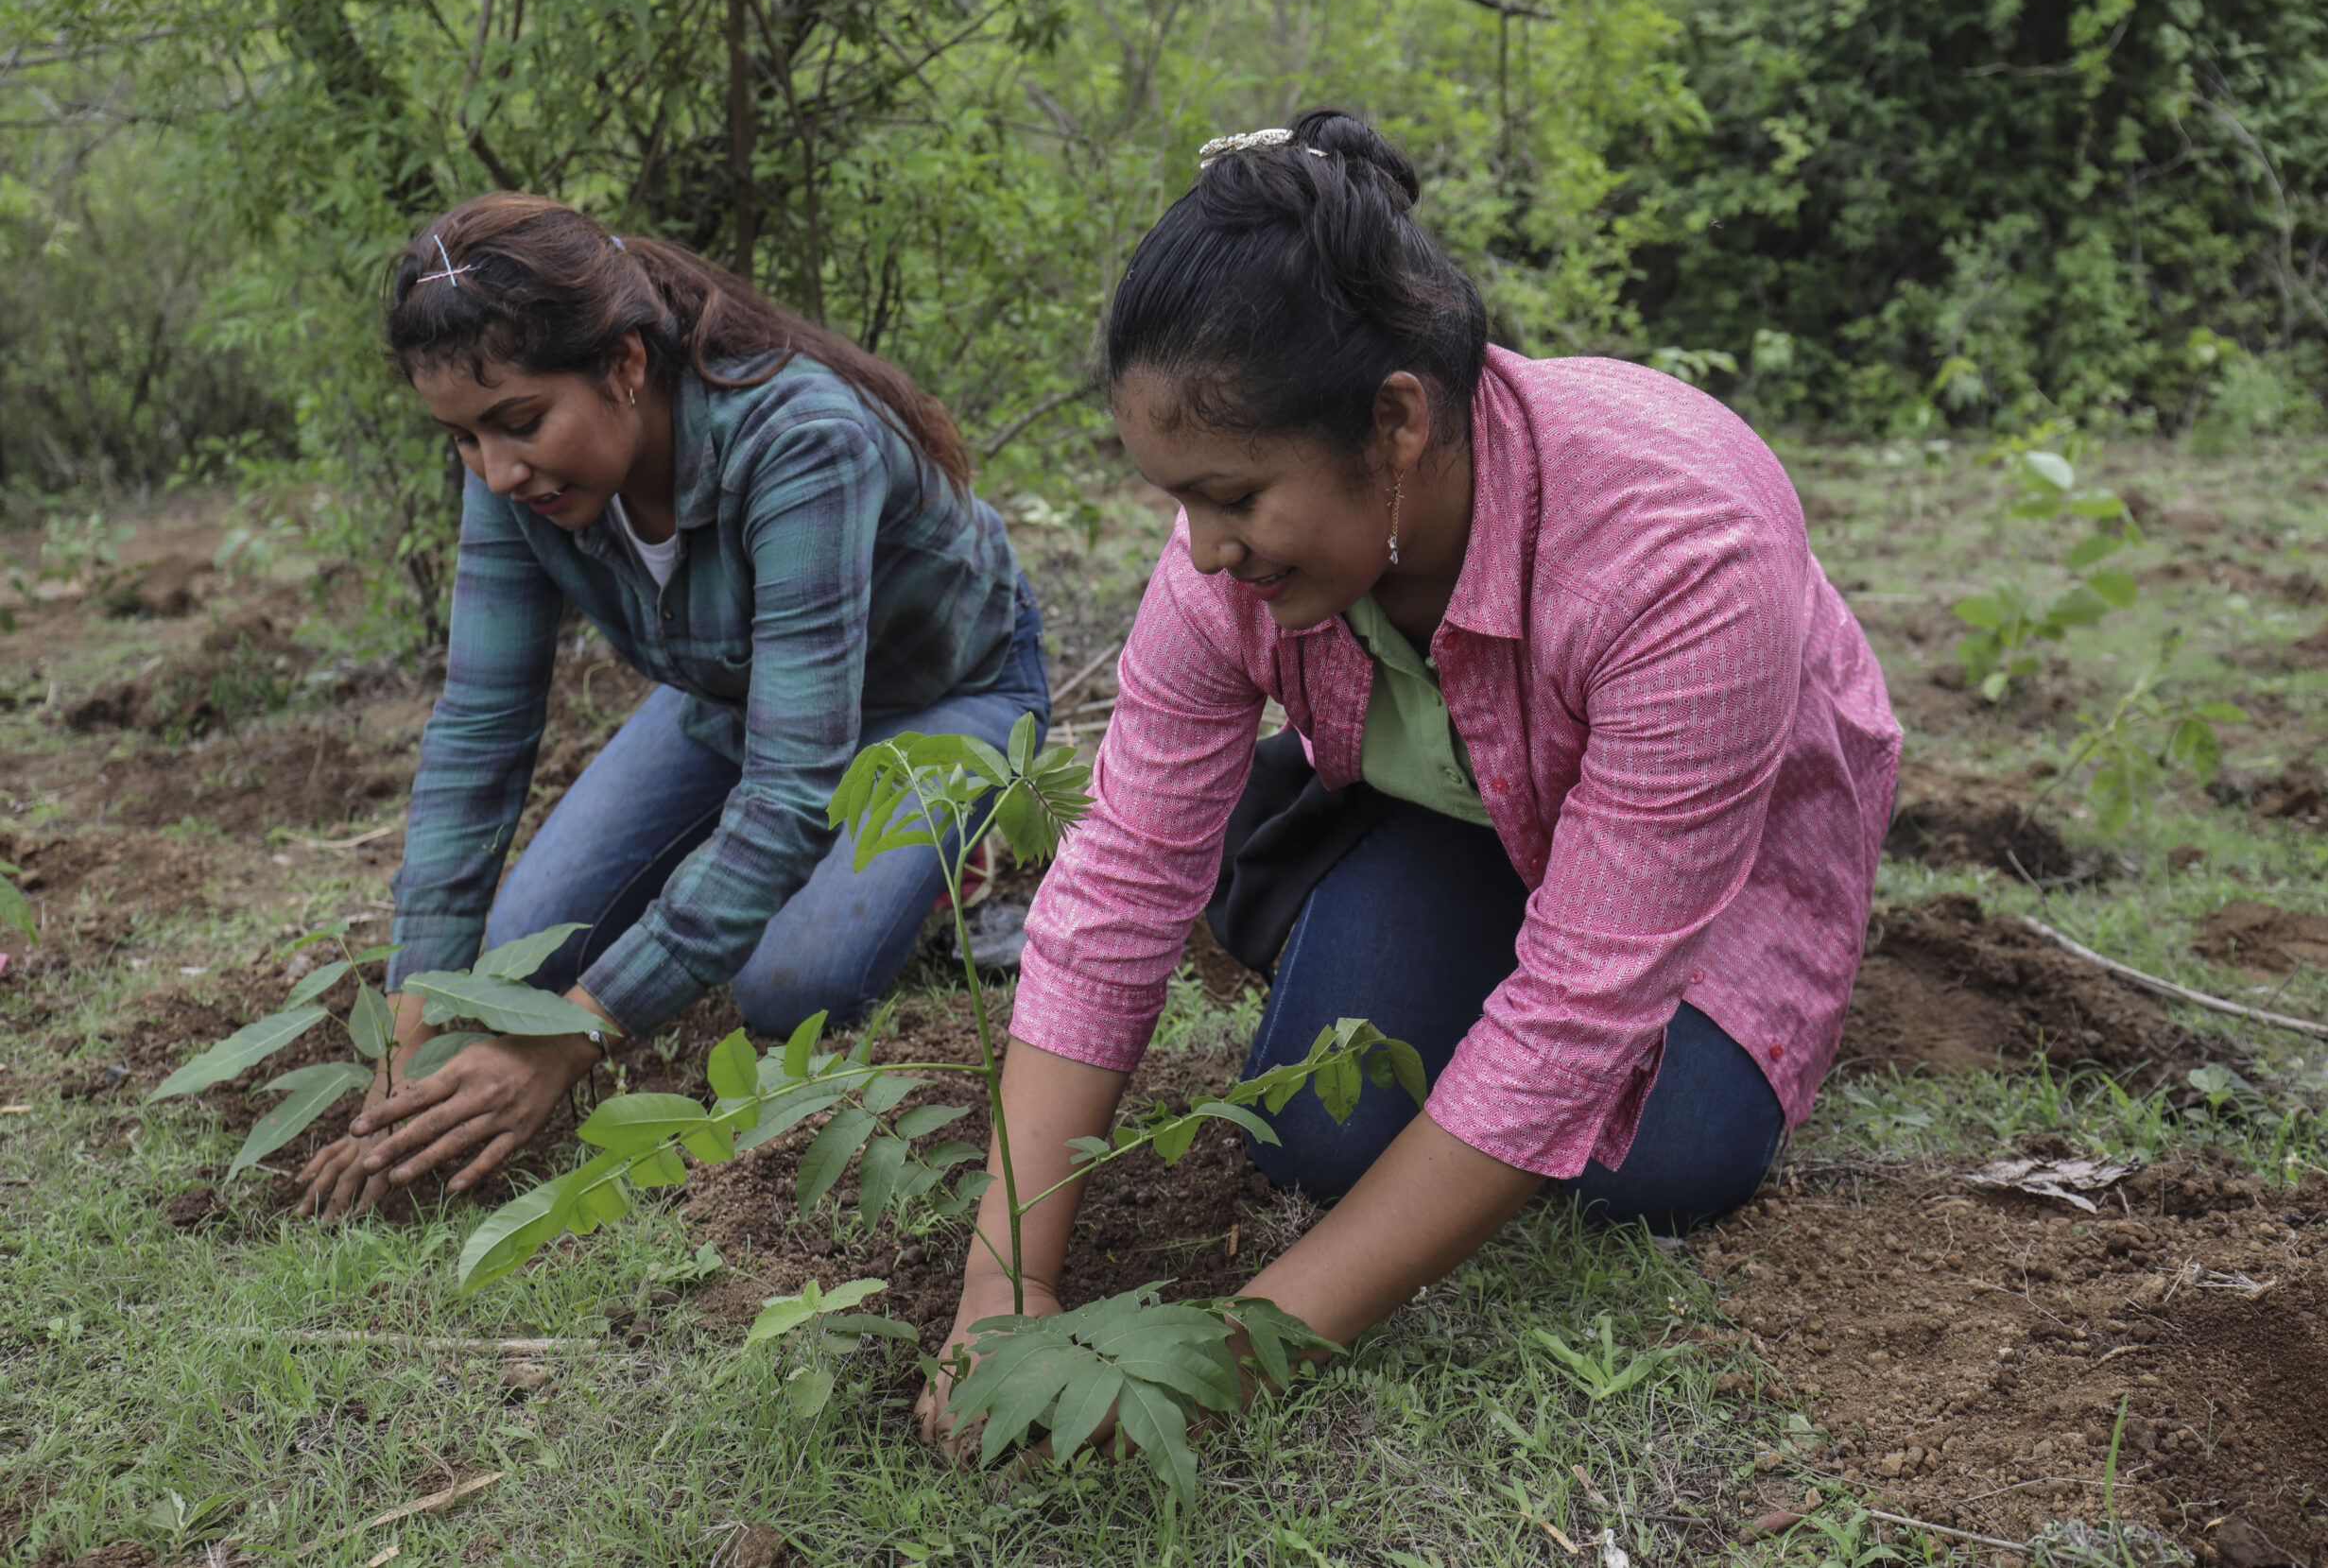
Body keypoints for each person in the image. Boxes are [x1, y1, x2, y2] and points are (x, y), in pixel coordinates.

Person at [923, 112, 1898, 1433]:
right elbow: (1123, 879)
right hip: (1461, 813)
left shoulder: (1681, 551)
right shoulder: (1225, 557)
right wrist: (1007, 1277)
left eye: (1234, 497)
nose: (1204, 551)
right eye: (1180, 502)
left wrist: (1242, 1353)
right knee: (1320, 1137)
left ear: (1395, 421)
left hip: (1720, 851)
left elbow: (1573, 1013)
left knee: (1660, 1165)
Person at [299, 194, 1048, 1216]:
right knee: (517, 958)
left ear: (626, 365)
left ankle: (927, 881)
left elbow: (789, 793)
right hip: (737, 703)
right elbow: (480, 728)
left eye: (519, 423)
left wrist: (572, 1038)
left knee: (792, 985)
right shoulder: (510, 472)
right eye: (463, 439)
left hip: (938, 697)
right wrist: (417, 1007)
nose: (498, 469)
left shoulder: (800, 442)